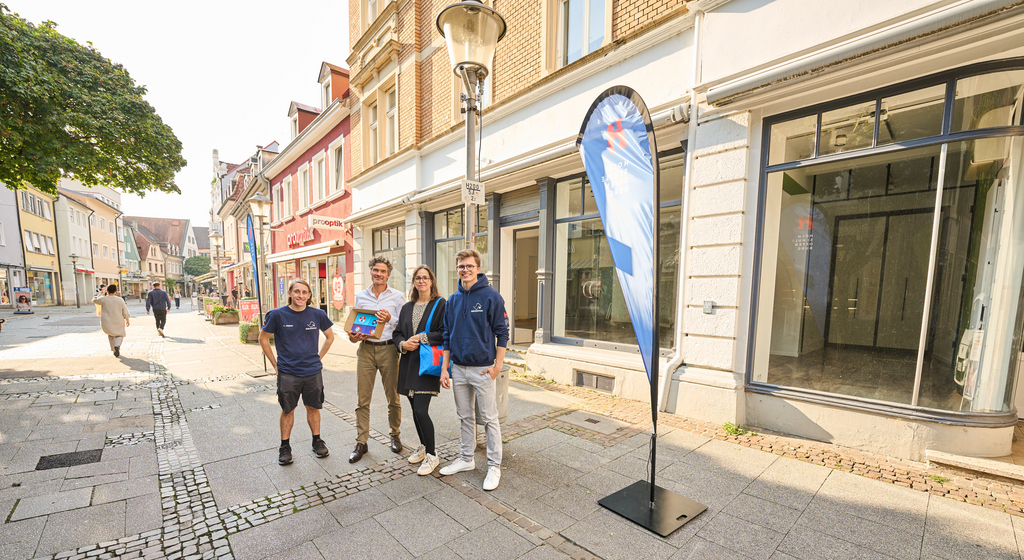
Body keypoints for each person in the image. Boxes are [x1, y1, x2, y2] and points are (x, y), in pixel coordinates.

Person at [439, 249, 509, 491]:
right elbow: (447, 336)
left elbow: (502, 333)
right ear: (457, 269)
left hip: (482, 369)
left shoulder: (491, 297)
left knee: (490, 419)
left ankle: (494, 466)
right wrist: (444, 368)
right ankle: (466, 459)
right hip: (457, 368)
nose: (465, 270)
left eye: (469, 266)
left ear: (477, 268)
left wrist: (497, 366)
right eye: (461, 266)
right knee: (465, 417)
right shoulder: (453, 300)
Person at [259, 279, 336, 465]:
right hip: (288, 373)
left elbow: (330, 337)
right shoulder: (277, 315)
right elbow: (263, 339)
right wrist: (275, 365)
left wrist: (319, 358)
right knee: (288, 409)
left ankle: (317, 440)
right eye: (297, 291)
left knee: (313, 407)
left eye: (304, 292)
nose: (300, 295)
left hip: (312, 372)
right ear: (291, 294)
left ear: (310, 295)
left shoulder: (318, 314)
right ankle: (285, 446)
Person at [348, 256, 405, 463]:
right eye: (375, 270)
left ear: (388, 274)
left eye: (383, 271)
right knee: (362, 400)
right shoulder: (361, 296)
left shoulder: (398, 297)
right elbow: (355, 326)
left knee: (393, 397)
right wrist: (353, 336)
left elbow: (404, 326)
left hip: (389, 350)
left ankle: (395, 434)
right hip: (366, 350)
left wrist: (391, 319)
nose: (378, 274)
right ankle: (361, 442)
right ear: (371, 271)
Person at [392, 265, 446, 476]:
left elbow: (444, 332)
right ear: (414, 281)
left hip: (427, 365)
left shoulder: (440, 304)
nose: (421, 281)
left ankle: (433, 455)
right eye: (418, 278)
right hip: (408, 364)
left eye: (425, 278)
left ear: (431, 281)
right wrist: (403, 344)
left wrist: (420, 338)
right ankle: (423, 447)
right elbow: (397, 333)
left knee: (421, 410)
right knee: (414, 411)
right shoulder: (407, 307)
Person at [93, 284, 130, 357]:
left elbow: (94, 300)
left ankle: (114, 349)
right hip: (118, 319)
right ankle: (117, 345)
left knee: (111, 335)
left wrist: (101, 294)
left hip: (107, 320)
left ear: (107, 290)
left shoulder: (103, 299)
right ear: (116, 291)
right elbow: (124, 311)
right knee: (120, 334)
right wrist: (127, 319)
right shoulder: (120, 300)